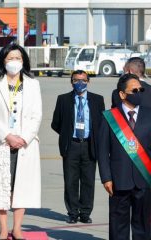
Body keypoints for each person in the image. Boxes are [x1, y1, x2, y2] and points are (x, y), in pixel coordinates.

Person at [0, 42, 42, 240]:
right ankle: (4, 228)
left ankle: (17, 227)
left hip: (25, 144)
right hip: (1, 142)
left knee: (21, 186)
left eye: (18, 58)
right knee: (1, 186)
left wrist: (23, 138)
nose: (14, 62)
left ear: (24, 61)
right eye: (10, 58)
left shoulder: (33, 84)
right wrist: (7, 135)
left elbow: (37, 115)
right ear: (3, 61)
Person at [98, 73, 151, 240]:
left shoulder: (150, 115)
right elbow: (102, 150)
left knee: (143, 225)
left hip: (144, 179)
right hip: (118, 180)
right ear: (122, 94)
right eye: (133, 90)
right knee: (118, 224)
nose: (138, 93)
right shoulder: (110, 117)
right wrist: (106, 178)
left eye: (140, 89)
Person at [51, 70, 105, 224]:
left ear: (88, 81)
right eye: (76, 80)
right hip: (72, 145)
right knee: (70, 180)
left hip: (89, 145)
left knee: (88, 181)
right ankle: (73, 212)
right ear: (71, 82)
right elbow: (56, 123)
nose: (80, 83)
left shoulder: (97, 100)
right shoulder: (63, 99)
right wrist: (67, 134)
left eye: (83, 80)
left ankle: (85, 212)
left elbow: (101, 123)